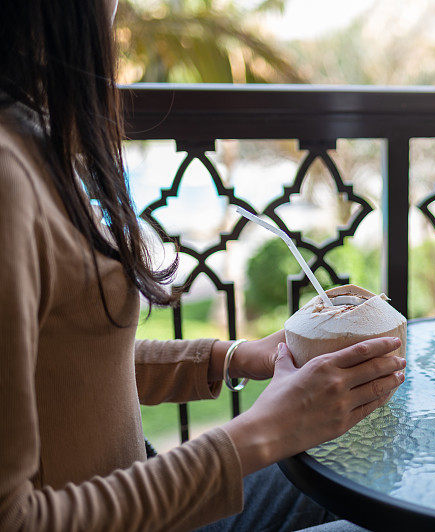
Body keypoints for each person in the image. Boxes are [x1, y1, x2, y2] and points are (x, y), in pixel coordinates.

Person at [0, 1, 405, 530]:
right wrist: (263, 432)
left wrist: (231, 358)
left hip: (145, 495)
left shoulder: (28, 133)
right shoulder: (8, 175)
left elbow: (66, 363)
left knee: (374, 468)